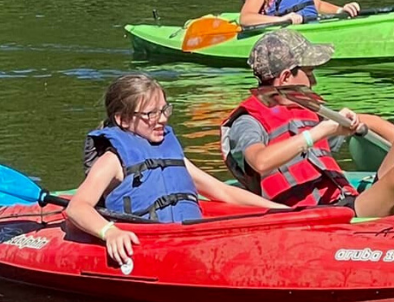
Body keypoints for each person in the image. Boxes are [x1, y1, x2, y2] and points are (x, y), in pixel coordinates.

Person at [221, 29, 394, 216]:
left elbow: (371, 122)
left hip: (349, 203)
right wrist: (317, 133)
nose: (314, 80)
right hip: (320, 216)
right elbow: (260, 162)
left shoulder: (307, 111)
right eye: (309, 72)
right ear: (285, 78)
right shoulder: (248, 121)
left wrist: (354, 122)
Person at [67, 73, 281, 266]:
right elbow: (77, 207)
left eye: (164, 109)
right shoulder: (112, 160)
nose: (162, 119)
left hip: (188, 242)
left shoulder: (169, 154)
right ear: (122, 119)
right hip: (150, 246)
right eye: (151, 114)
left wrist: (281, 210)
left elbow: (223, 191)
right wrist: (110, 232)